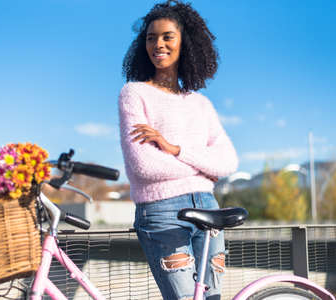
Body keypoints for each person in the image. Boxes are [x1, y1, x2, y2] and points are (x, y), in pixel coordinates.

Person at [118, 1, 238, 299]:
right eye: (150, 37)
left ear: (186, 42)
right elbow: (143, 166)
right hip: (162, 212)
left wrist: (174, 149)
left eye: (167, 36)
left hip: (209, 209)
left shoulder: (200, 103)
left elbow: (228, 162)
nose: (158, 44)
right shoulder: (134, 93)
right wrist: (203, 167)